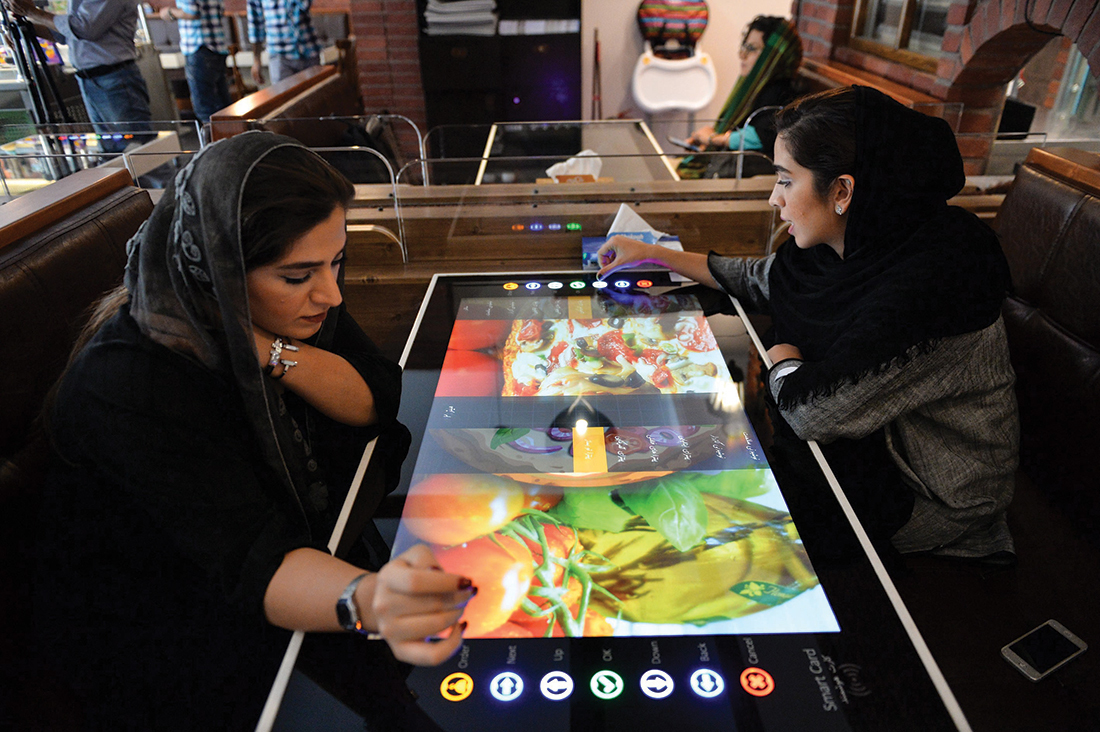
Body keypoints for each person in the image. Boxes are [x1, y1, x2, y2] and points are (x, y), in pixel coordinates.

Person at [30, 132, 472, 729]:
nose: (331, 292)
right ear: (214, 269)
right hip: (189, 640)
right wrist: (368, 601)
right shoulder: (126, 385)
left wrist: (265, 350)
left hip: (307, 570)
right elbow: (250, 561)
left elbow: (373, 396)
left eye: (336, 261)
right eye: (298, 275)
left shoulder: (279, 310)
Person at [598, 86, 1018, 561]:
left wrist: (782, 365)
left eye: (785, 180)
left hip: (931, 499)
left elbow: (815, 412)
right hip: (858, 453)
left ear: (842, 191)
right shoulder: (862, 238)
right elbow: (762, 279)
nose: (775, 199)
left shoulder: (942, 279)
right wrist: (654, 253)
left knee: (705, 524)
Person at [3, 0, 154, 154]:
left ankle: (159, 178)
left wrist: (32, 12)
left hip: (114, 79)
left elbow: (83, 28)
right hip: (92, 80)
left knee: (138, 151)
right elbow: (68, 34)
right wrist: (26, 29)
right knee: (113, 152)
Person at [679, 15, 802, 179]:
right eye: (744, 46)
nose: (742, 55)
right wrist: (710, 137)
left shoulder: (782, 90)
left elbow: (762, 137)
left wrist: (716, 139)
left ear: (772, 57)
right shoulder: (754, 88)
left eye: (752, 49)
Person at [159, 0, 232, 123]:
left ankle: (217, 141)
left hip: (199, 46)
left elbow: (192, 12)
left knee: (205, 109)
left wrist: (169, 12)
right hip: (217, 46)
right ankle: (233, 140)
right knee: (224, 108)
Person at [247, 0, 321, 87]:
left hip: (308, 51)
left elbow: (305, 5)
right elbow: (255, 24)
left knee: (314, 96)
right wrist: (256, 61)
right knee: (283, 97)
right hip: (279, 55)